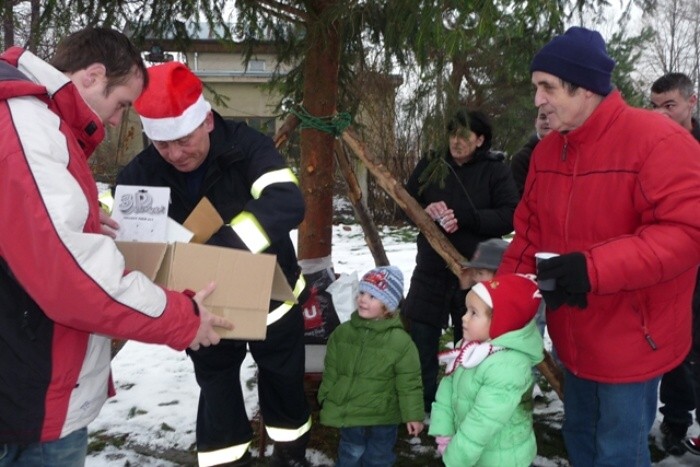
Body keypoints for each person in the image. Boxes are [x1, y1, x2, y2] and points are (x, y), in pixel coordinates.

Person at [0, 28, 231, 466]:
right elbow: (73, 280)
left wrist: (83, 221)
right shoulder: (28, 130)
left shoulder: (38, 126)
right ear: (92, 76)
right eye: (122, 104)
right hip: (30, 398)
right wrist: (183, 317)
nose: (114, 121)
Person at [499, 26, 700, 466]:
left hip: (633, 338)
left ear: (585, 89)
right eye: (536, 88)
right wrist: (498, 307)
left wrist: (591, 269)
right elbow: (528, 236)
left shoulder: (658, 140)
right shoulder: (548, 152)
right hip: (573, 336)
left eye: (547, 87)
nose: (538, 100)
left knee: (618, 452)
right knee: (582, 441)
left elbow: (685, 233)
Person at [116, 61, 310, 467]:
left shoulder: (247, 146)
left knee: (283, 383)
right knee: (217, 390)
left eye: (183, 141)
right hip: (203, 310)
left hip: (273, 302)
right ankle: (226, 459)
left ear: (205, 120)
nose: (175, 155)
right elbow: (122, 221)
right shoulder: (145, 170)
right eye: (163, 145)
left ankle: (290, 453)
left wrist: (220, 250)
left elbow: (286, 201)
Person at [402, 109, 519, 414]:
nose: (456, 141)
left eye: (465, 136)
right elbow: (406, 200)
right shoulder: (432, 163)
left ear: (480, 140)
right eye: (453, 134)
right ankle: (422, 403)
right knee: (421, 338)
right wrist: (425, 208)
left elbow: (509, 215)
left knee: (470, 342)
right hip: (430, 266)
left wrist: (467, 217)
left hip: (475, 271)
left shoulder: (495, 170)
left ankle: (464, 404)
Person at [429, 273, 544, 466]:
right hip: (473, 452)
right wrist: (444, 430)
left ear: (501, 322)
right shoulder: (469, 348)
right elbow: (448, 388)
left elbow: (483, 421)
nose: (464, 318)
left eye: (474, 313)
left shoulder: (508, 366)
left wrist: (456, 457)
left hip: (501, 457)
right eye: (467, 310)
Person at [317, 266, 424, 466]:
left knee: (378, 457)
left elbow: (409, 382)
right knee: (350, 453)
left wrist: (413, 415)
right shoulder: (342, 334)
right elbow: (332, 369)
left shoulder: (401, 342)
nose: (363, 299)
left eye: (372, 296)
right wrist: (326, 396)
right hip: (350, 413)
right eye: (362, 292)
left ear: (388, 306)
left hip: (382, 417)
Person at [650, 72, 700, 455]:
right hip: (672, 263)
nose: (662, 114)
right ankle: (676, 420)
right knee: (677, 345)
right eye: (655, 106)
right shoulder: (652, 145)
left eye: (670, 105)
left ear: (691, 102)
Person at [510, 109, 552, 196]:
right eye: (543, 117)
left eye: (551, 118)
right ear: (536, 122)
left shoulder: (567, 154)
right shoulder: (521, 159)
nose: (547, 122)